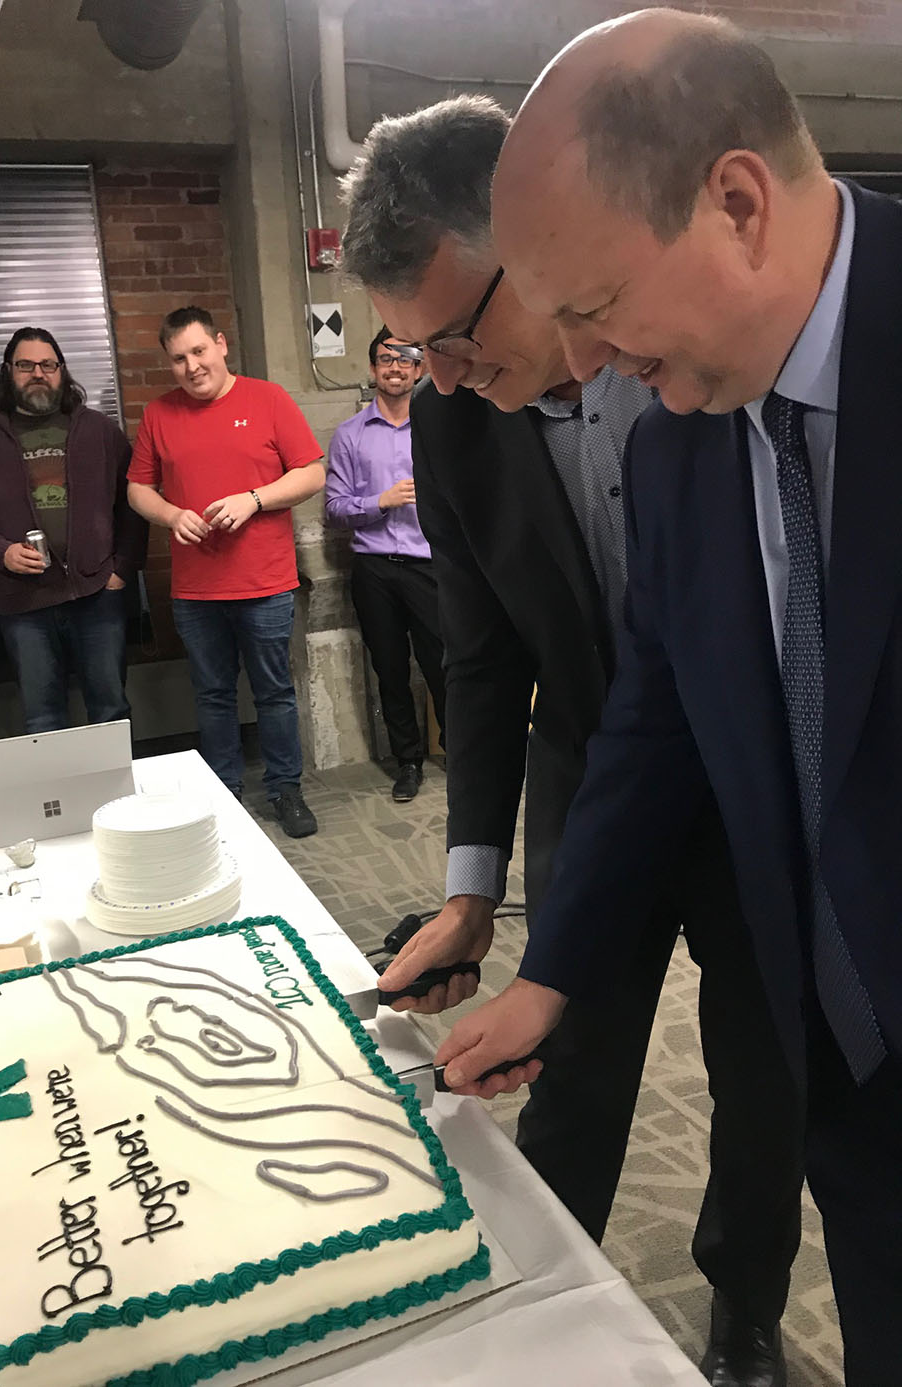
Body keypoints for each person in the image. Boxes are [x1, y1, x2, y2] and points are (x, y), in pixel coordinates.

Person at [422, 13, 902, 1383]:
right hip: (853, 1085)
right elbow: (655, 715)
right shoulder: (688, 433)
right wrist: (553, 968)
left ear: (737, 203)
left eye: (594, 308)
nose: (579, 365)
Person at [341, 96, 801, 1387]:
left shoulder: (697, 362)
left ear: (535, 244)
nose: (432, 376)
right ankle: (540, 1313)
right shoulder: (449, 410)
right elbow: (484, 655)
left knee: (763, 1073)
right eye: (406, 348)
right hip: (593, 769)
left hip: (750, 781)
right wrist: (471, 887)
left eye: (451, 335)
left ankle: (748, 1310)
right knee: (570, 1058)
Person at [127, 306, 324, 839]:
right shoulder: (159, 415)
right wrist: (171, 514)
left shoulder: (268, 399)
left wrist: (255, 499)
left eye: (198, 351)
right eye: (178, 359)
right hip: (195, 589)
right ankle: (225, 793)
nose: (191, 366)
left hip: (264, 583)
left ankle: (286, 790)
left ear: (220, 344)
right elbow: (137, 487)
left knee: (274, 692)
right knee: (212, 695)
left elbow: (311, 472)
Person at [0, 327, 146, 734]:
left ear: (61, 371)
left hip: (96, 595)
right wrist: (0, 552)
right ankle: (57, 800)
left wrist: (122, 568)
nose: (38, 373)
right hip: (25, 603)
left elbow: (134, 503)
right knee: (42, 717)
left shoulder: (99, 431)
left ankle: (114, 796)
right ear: (8, 371)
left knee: (110, 709)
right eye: (26, 365)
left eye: (48, 365)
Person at [325, 328, 445, 801]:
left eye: (405, 359)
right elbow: (335, 507)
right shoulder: (351, 435)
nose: (395, 367)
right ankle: (408, 761)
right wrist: (381, 501)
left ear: (419, 368)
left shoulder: (438, 427)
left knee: (445, 665)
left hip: (429, 566)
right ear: (373, 368)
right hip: (375, 570)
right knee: (390, 670)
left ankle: (465, 754)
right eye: (384, 359)